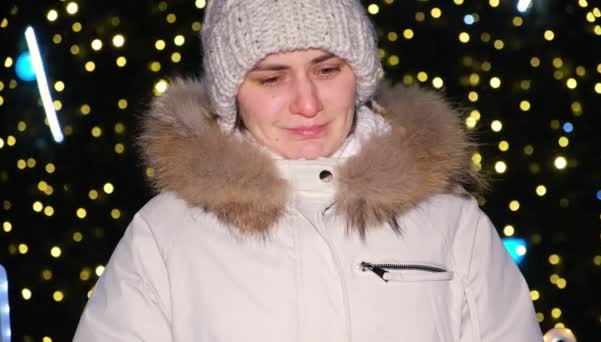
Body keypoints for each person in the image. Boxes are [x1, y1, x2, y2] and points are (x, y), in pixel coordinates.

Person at [74, 0, 543, 340]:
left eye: (327, 70)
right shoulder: (166, 235)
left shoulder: (451, 223)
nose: (307, 103)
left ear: (358, 74)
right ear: (231, 92)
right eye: (272, 77)